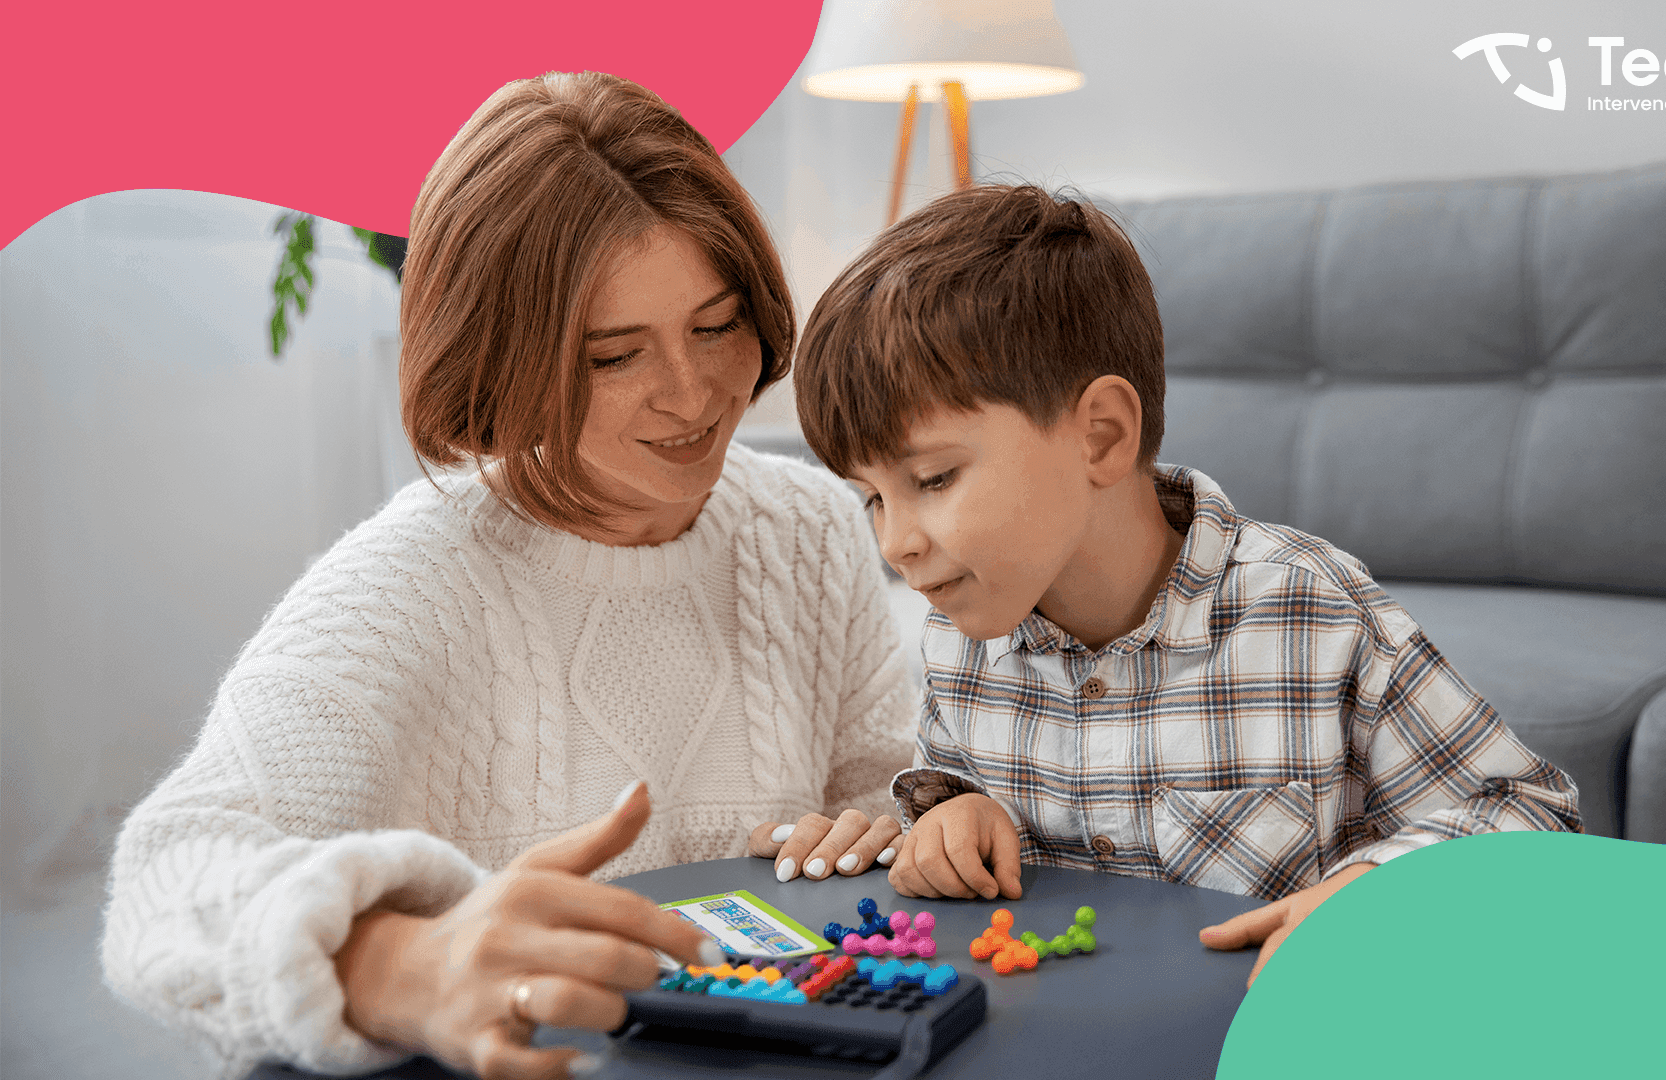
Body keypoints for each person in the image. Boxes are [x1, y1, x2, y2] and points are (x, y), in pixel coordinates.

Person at [101, 72, 915, 1080]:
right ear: (502, 368)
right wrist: (398, 962)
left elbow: (883, 779)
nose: (694, 390)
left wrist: (888, 819)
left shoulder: (812, 528)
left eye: (715, 325)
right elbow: (165, 877)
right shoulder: (406, 587)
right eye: (616, 355)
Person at [786, 184, 1584, 987]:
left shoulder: (1310, 612)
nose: (895, 544)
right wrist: (954, 819)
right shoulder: (961, 640)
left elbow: (1533, 817)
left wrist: (1371, 889)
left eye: (932, 478)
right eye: (873, 498)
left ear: (1100, 436)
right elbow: (961, 810)